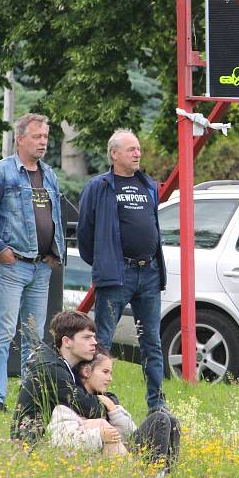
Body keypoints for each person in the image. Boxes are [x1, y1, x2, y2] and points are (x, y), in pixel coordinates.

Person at [0, 113, 66, 413]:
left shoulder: (49, 174)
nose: (43, 142)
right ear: (20, 139)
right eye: (37, 136)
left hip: (42, 267)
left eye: (46, 136)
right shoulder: (2, 171)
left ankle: (28, 399)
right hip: (13, 266)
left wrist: (57, 251)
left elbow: (55, 216)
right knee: (3, 333)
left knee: (34, 337)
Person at [77, 129, 167, 412]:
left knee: (151, 341)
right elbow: (85, 233)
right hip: (117, 275)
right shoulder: (100, 186)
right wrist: (103, 262)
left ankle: (157, 404)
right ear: (114, 154)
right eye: (131, 149)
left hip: (149, 274)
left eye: (138, 149)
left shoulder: (148, 185)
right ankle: (94, 399)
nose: (137, 153)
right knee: (102, 341)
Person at [48, 348, 180, 473]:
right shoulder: (67, 405)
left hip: (124, 455)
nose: (110, 378)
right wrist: (99, 435)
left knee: (171, 420)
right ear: (86, 372)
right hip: (101, 464)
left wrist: (114, 411)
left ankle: (165, 477)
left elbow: (131, 434)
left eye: (110, 373)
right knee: (159, 419)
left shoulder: (106, 401)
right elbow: (62, 443)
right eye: (105, 372)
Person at [11, 310, 104, 445]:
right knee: (104, 428)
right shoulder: (51, 369)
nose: (94, 342)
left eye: (94, 337)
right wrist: (110, 404)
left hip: (55, 436)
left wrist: (108, 400)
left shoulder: (68, 361)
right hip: (33, 443)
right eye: (87, 337)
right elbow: (90, 408)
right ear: (66, 341)